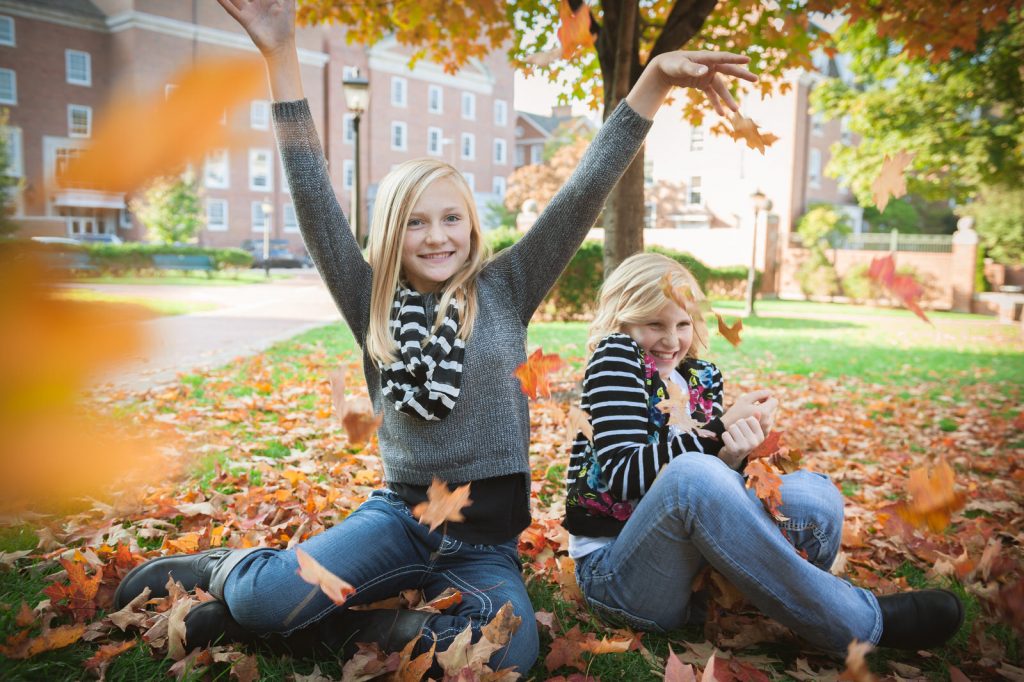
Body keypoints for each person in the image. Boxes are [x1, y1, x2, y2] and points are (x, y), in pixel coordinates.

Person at [111, 0, 761, 673]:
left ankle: (324, 629)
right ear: (394, 231)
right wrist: (279, 53)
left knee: (510, 648)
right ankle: (231, 573)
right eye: (417, 222)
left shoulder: (508, 287)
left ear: (472, 226)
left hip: (484, 549)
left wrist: (651, 80)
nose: (438, 235)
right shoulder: (371, 299)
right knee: (274, 593)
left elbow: (585, 188)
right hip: (398, 520)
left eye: (451, 217)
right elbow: (310, 192)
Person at [563, 252, 963, 653]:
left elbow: (709, 484)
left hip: (693, 576)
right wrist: (717, 432)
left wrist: (735, 452)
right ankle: (861, 623)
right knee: (691, 475)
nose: (671, 340)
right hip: (619, 574)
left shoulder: (698, 377)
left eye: (683, 324)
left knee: (817, 497)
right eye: (654, 324)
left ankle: (786, 599)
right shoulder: (616, 358)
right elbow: (625, 474)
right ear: (622, 319)